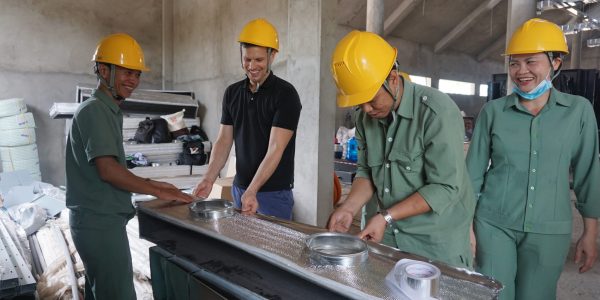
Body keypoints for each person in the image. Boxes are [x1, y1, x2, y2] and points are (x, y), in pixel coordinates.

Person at [466, 18, 600, 300]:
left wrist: (590, 232)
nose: (521, 71)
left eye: (531, 62)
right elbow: (473, 174)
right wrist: (467, 227)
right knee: (495, 295)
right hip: (493, 224)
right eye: (514, 63)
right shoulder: (493, 112)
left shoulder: (578, 111)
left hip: (550, 229)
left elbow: (588, 173)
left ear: (556, 63)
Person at [327, 31, 476, 268]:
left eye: (372, 99)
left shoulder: (436, 112)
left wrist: (386, 216)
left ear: (393, 78)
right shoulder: (365, 119)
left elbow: (446, 186)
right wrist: (348, 207)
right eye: (359, 102)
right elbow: (367, 172)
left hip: (433, 244)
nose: (366, 109)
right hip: (384, 238)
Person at [66, 33, 194, 300]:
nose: (133, 81)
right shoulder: (94, 111)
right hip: (99, 225)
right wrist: (158, 192)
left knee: (100, 291)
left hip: (99, 222)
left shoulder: (109, 110)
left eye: (136, 74)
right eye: (126, 72)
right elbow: (108, 170)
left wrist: (157, 184)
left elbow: (115, 167)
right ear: (103, 70)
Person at [193, 19, 302, 220]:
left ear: (273, 56)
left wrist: (253, 190)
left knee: (272, 250)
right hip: (240, 188)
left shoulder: (286, 95)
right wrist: (208, 178)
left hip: (273, 193)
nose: (251, 66)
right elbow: (224, 141)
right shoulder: (232, 93)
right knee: (242, 249)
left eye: (259, 60)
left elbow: (276, 148)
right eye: (247, 59)